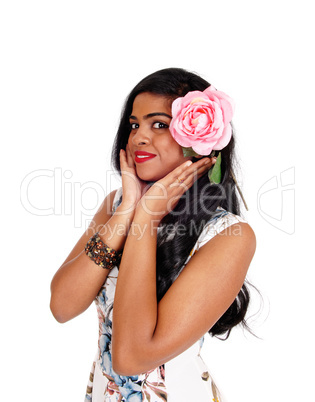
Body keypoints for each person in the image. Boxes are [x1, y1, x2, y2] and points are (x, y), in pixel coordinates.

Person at [50, 67, 256, 402]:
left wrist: (146, 218)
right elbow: (62, 306)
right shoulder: (117, 206)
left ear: (198, 144)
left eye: (158, 124)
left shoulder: (229, 236)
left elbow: (132, 358)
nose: (138, 138)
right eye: (134, 124)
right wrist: (129, 207)